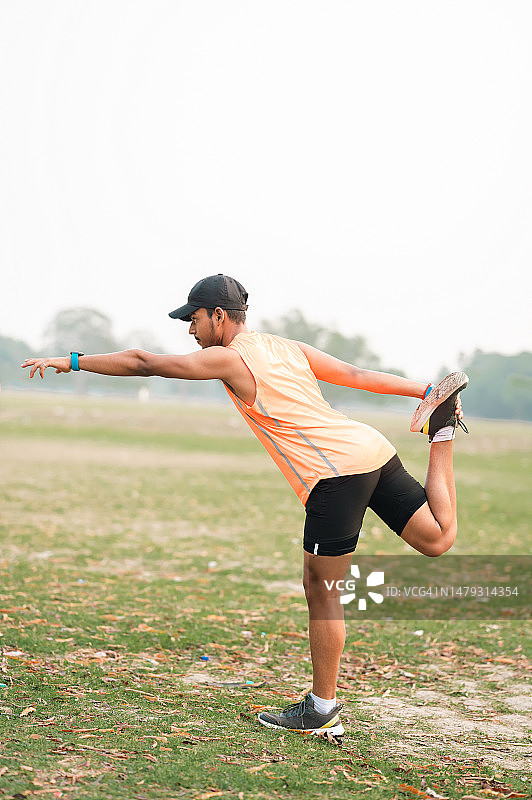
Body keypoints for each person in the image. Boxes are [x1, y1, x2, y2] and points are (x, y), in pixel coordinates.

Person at [22, 273, 468, 738]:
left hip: (335, 474)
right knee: (437, 538)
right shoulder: (284, 346)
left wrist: (72, 360)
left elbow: (143, 362)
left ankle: (322, 710)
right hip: (370, 449)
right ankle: (441, 430)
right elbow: (356, 376)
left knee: (322, 588)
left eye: (193, 319)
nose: (190, 331)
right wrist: (425, 390)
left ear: (218, 316)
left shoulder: (228, 358)